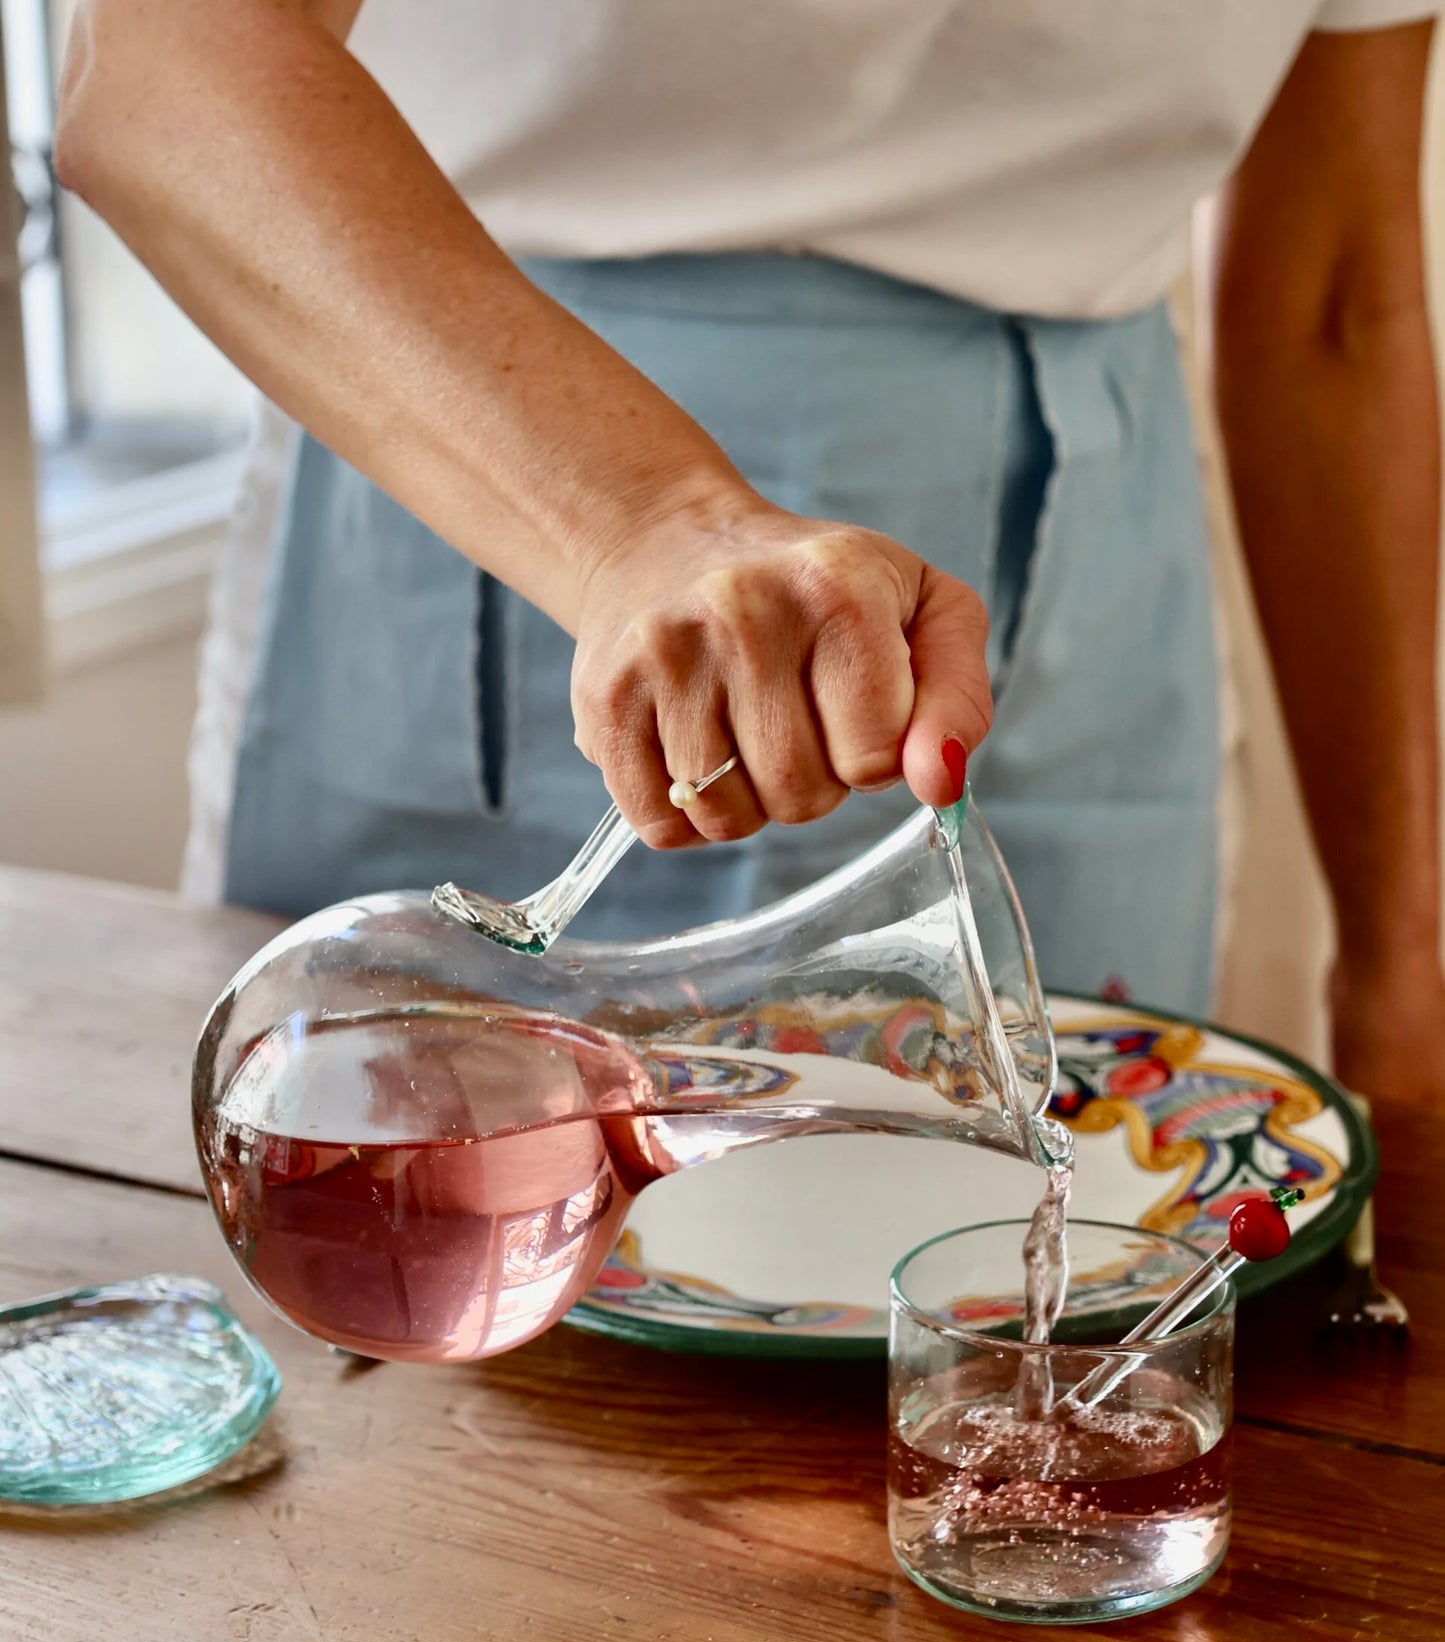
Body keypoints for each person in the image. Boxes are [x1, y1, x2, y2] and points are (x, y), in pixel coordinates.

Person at [55, 2, 1441, 1101]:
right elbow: (165, 75)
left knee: (1037, 1321)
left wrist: (1403, 950)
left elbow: (1333, 297)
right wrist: (646, 525)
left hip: (1084, 577)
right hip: (493, 478)